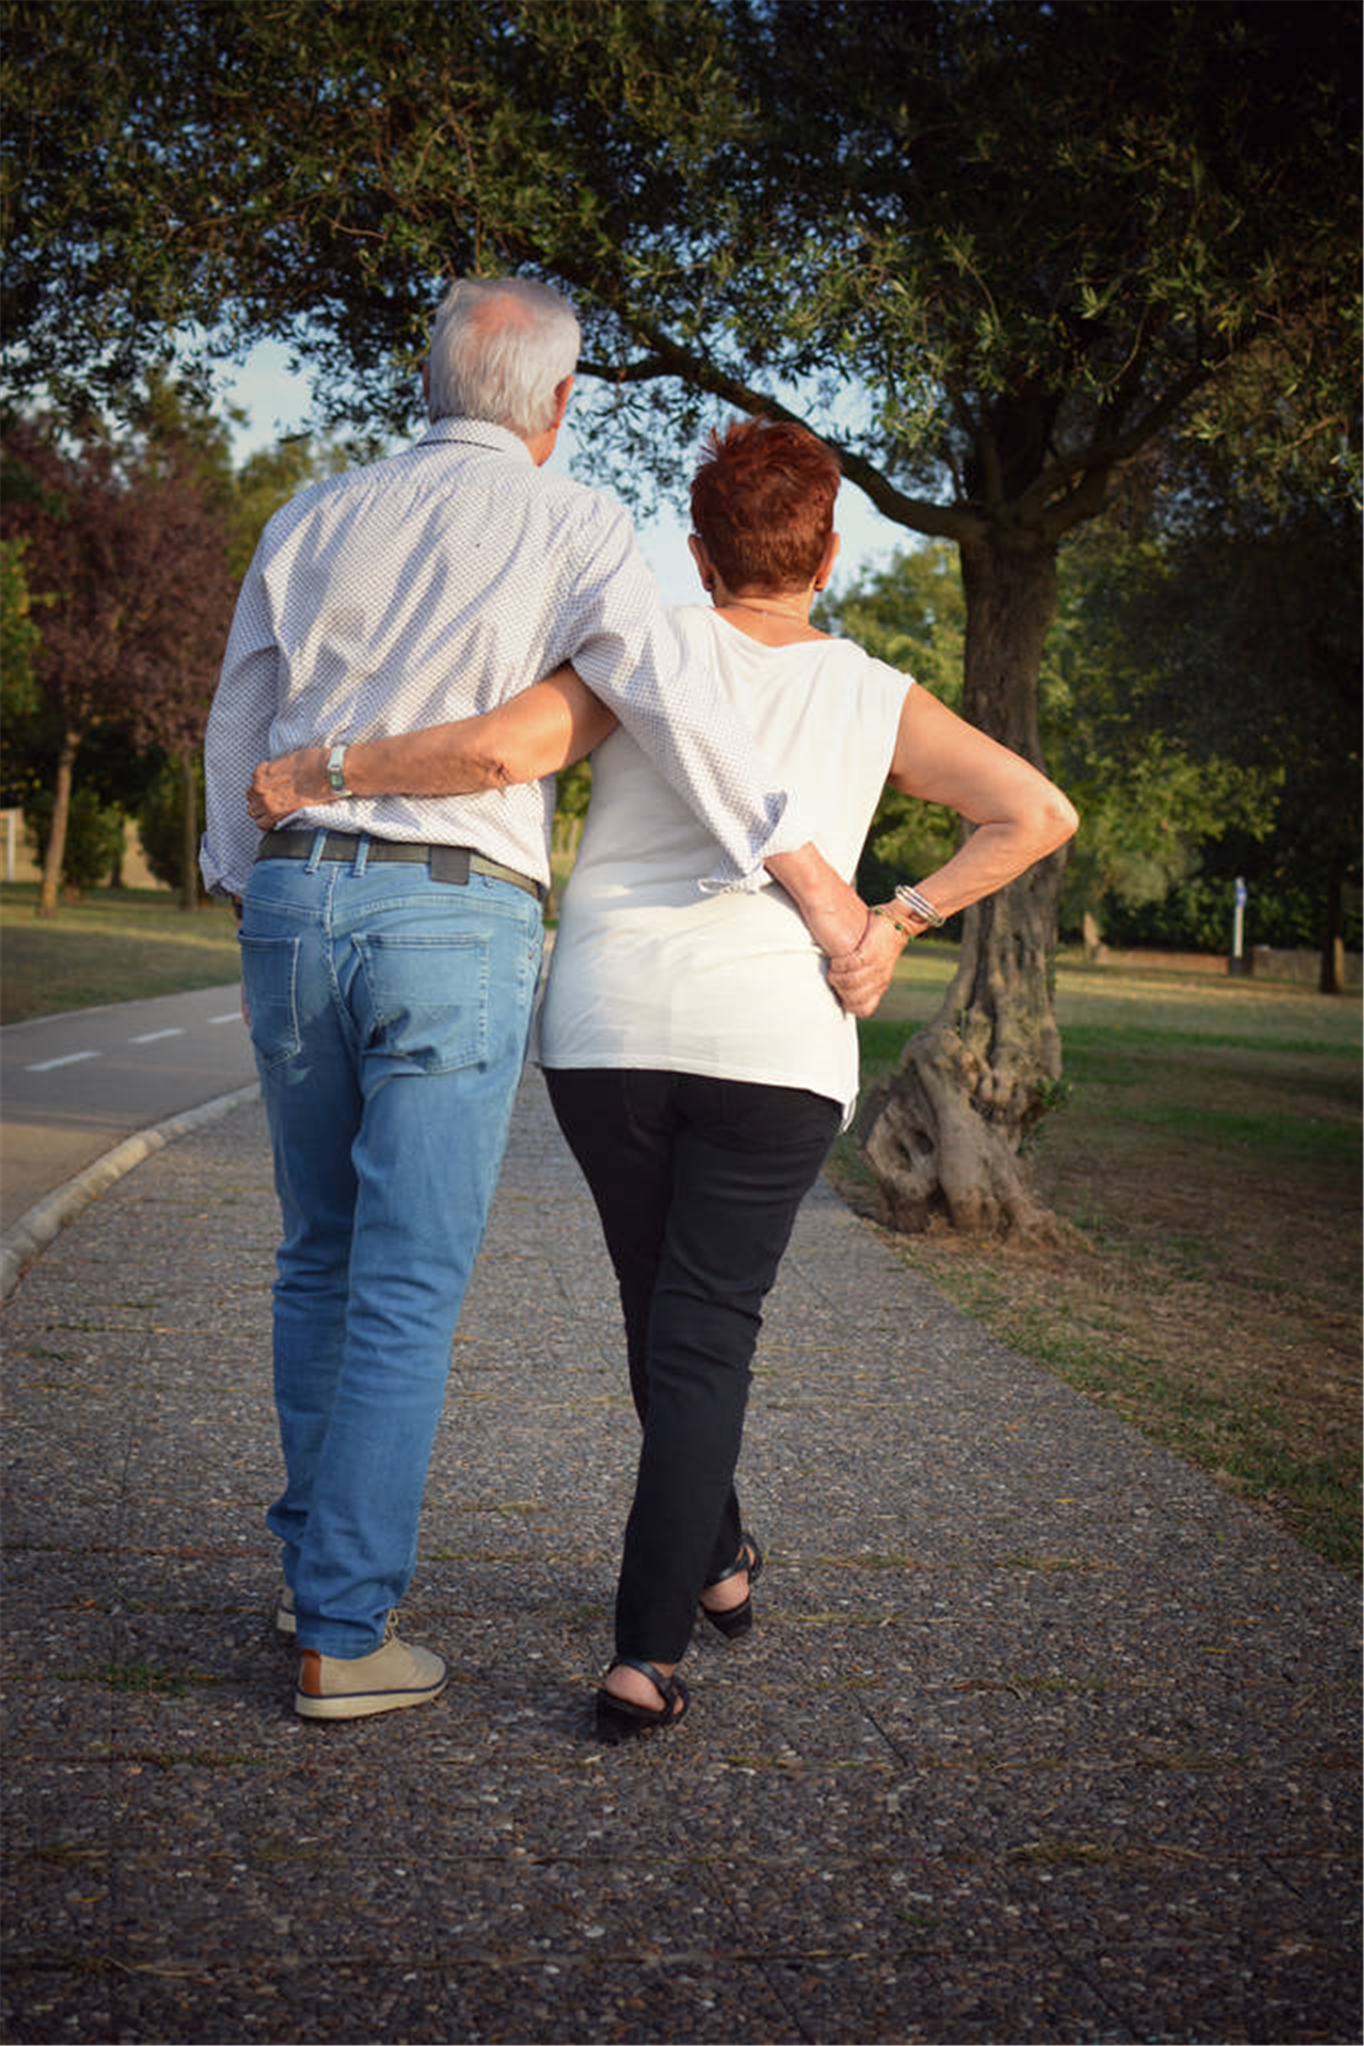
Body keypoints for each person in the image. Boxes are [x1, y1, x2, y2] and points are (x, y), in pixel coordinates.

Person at [248, 415, 1078, 1739]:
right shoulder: (877, 693)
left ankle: (717, 1556)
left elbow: (503, 746)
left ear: (695, 551)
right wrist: (900, 917)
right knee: (701, 1335)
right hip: (775, 1042)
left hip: (609, 1035)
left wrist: (324, 773)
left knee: (667, 1314)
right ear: (830, 554)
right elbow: (1036, 812)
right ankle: (646, 1651)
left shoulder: (634, 654)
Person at [201, 281, 883, 1725]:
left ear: (428, 381)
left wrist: (238, 874)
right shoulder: (577, 527)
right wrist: (818, 885)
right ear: (560, 406)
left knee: (316, 1255)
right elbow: (684, 712)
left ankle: (310, 1568)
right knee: (402, 1282)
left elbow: (239, 712)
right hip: (449, 909)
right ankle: (340, 1626)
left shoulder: (310, 513)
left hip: (294, 893)